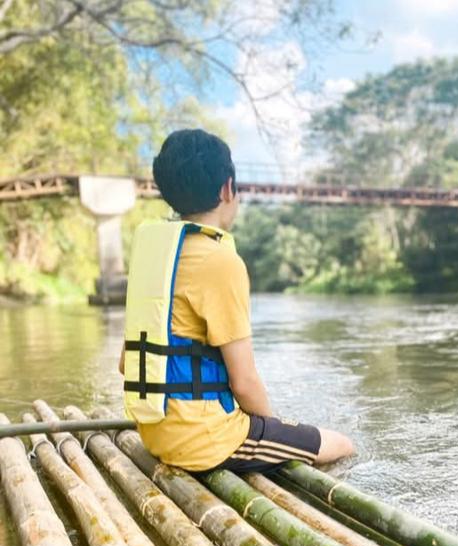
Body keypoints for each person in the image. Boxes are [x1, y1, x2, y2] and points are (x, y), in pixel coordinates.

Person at [119, 128, 354, 474]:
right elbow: (244, 383)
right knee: (343, 445)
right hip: (204, 443)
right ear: (227, 188)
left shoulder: (155, 259)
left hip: (155, 432)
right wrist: (273, 431)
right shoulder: (220, 261)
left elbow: (126, 364)